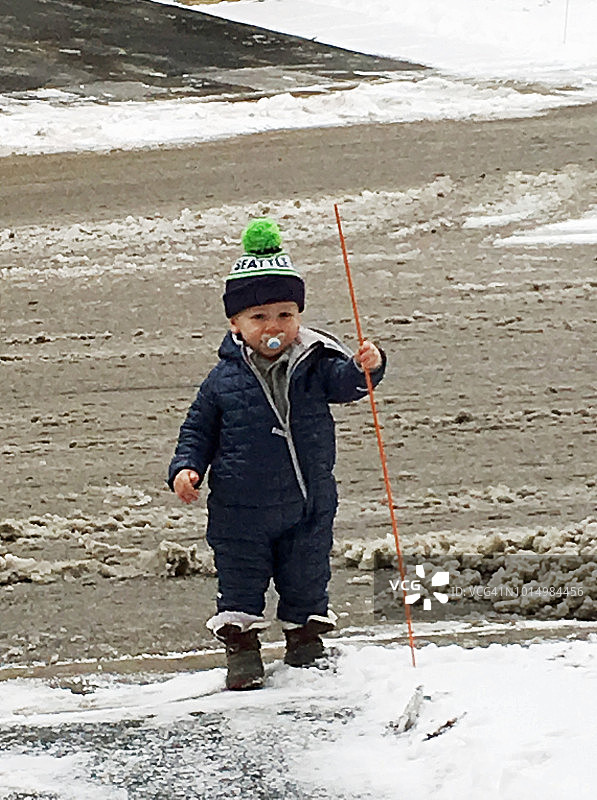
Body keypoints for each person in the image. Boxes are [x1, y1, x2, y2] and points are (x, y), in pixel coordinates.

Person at [168, 218, 385, 690]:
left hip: (308, 501)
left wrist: (367, 366)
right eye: (260, 317)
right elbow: (197, 430)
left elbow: (348, 385)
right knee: (241, 581)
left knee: (307, 573)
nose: (274, 327)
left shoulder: (316, 362)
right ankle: (243, 650)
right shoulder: (222, 380)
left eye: (285, 315)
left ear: (299, 317)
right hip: (240, 508)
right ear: (236, 324)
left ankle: (305, 638)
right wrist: (186, 468)